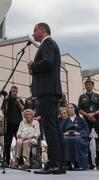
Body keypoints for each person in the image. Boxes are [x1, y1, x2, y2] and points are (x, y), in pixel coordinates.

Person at [28, 22, 65, 175]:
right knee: (54, 127)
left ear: (42, 30)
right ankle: (59, 163)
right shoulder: (50, 44)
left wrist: (34, 65)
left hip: (47, 91)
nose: (33, 33)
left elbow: (48, 62)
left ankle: (54, 163)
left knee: (50, 127)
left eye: (35, 30)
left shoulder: (47, 43)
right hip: (50, 90)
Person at [78, 77, 99, 168]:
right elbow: (79, 109)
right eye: (86, 85)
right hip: (86, 121)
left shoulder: (97, 96)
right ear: (85, 86)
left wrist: (93, 114)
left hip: (96, 120)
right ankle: (89, 162)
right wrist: (87, 115)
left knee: (98, 140)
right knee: (86, 140)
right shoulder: (82, 97)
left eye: (90, 84)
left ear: (93, 86)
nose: (88, 86)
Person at [62, 103, 89, 170]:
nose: (70, 109)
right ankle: (67, 164)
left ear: (75, 109)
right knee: (65, 139)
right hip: (67, 135)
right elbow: (60, 131)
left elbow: (86, 130)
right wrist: (65, 133)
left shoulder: (81, 119)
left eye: (71, 108)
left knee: (76, 139)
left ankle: (77, 164)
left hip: (78, 135)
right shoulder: (65, 121)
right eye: (68, 108)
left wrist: (79, 133)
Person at [3, 85, 24, 166]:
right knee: (7, 143)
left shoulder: (19, 100)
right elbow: (5, 111)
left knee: (19, 143)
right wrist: (7, 101)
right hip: (8, 123)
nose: (14, 93)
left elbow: (23, 109)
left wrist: (18, 103)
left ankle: (20, 161)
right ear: (10, 92)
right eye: (13, 91)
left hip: (18, 123)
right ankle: (7, 161)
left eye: (15, 92)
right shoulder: (7, 100)